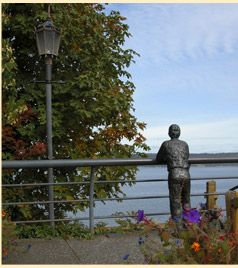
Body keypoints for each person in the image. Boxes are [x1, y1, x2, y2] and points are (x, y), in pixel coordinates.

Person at [156, 124, 190, 232]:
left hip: (174, 173)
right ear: (179, 133)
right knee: (186, 201)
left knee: (175, 202)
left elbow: (158, 159)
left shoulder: (166, 144)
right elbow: (187, 157)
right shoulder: (184, 144)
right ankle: (189, 227)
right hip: (186, 173)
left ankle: (179, 230)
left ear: (169, 133)